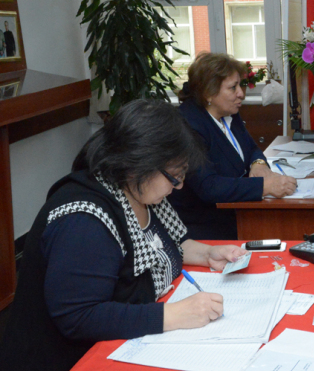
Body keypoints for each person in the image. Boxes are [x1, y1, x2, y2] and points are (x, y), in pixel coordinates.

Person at [0, 100, 247, 371]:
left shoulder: (141, 190)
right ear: (138, 163)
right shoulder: (84, 220)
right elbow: (79, 316)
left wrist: (207, 253)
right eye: (174, 177)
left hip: (126, 344)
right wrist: (174, 314)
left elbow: (167, 244)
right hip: (68, 360)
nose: (179, 187)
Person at [169, 53, 297, 240]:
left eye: (240, 85)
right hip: (206, 228)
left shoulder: (229, 112)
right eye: (233, 87)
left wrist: (258, 164)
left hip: (239, 213)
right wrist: (263, 186)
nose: (241, 94)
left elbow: (251, 148)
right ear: (208, 93)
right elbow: (208, 186)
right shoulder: (188, 125)